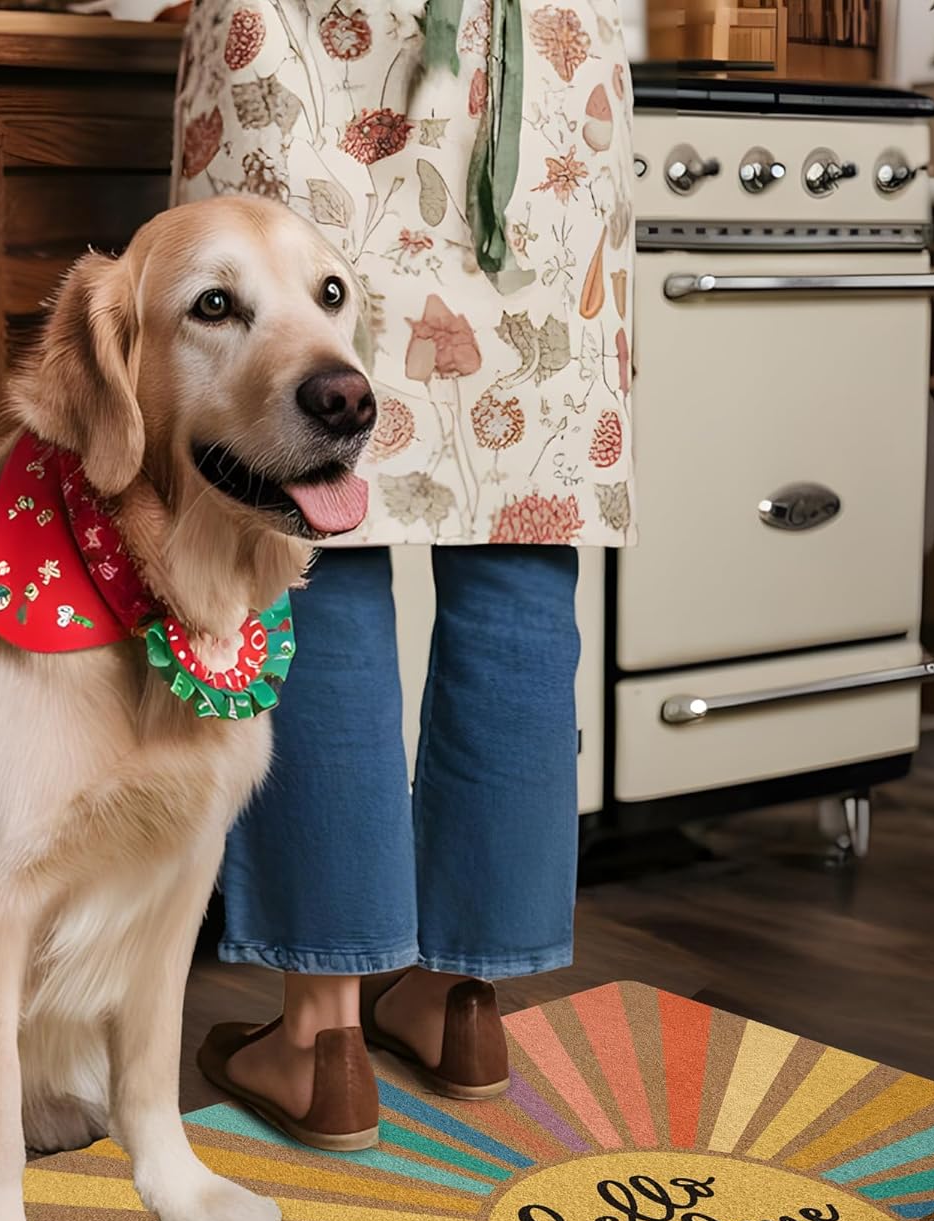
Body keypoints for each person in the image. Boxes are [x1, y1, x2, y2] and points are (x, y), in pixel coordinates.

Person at [172, 0, 636, 1148]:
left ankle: (322, 1038)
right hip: (546, 74)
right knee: (522, 542)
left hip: (310, 41)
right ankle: (457, 1002)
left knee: (307, 550)